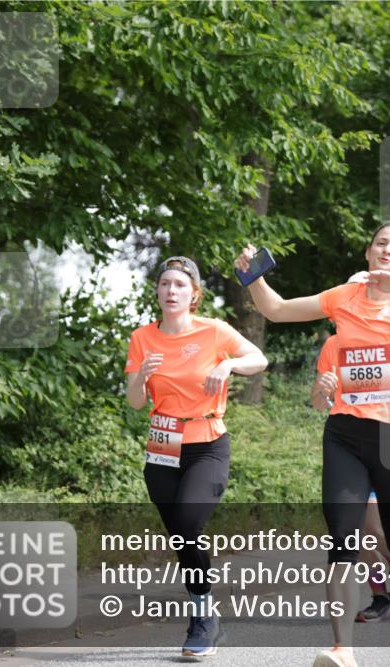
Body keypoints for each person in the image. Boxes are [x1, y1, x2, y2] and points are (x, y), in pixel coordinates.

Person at [235, 224, 390, 667]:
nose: (387, 250)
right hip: (345, 434)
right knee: (344, 537)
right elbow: (278, 309)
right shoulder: (345, 296)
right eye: (381, 242)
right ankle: (342, 649)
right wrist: (253, 276)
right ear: (368, 250)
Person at [124, 256, 268, 657]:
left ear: (194, 295)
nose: (171, 291)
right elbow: (136, 402)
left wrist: (229, 365)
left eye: (180, 285)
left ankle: (203, 617)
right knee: (182, 536)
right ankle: (206, 611)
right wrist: (141, 375)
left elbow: (259, 360)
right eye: (165, 284)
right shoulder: (142, 338)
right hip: (163, 445)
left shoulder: (215, 330)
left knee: (188, 522)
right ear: (157, 291)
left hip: (207, 441)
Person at [310, 336, 390, 622]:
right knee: (356, 535)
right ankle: (380, 596)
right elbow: (319, 403)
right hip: (349, 451)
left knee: (376, 534)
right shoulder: (334, 344)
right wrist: (322, 391)